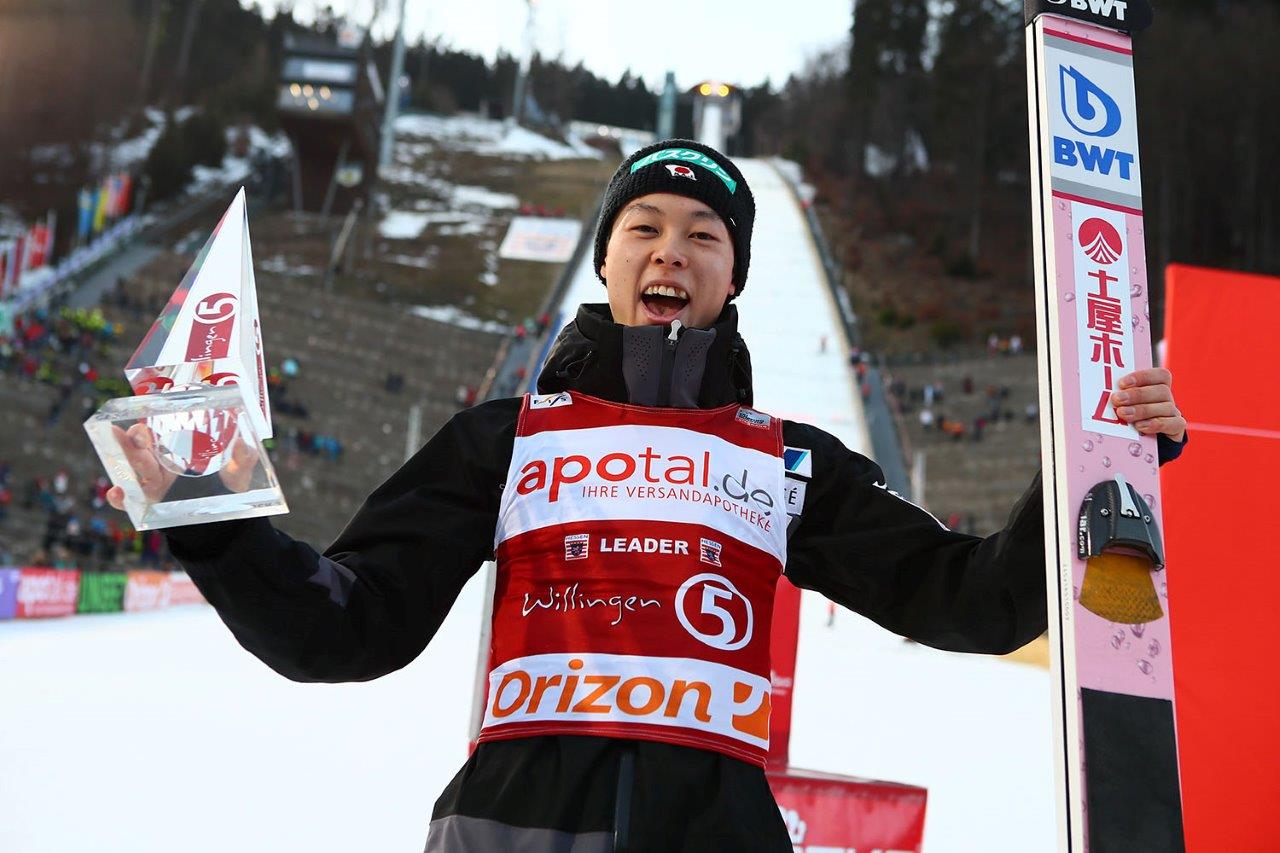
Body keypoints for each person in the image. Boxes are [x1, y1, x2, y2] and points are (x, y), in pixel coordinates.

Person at [105, 139, 1188, 851]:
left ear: (733, 275)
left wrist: (1101, 460)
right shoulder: (506, 438)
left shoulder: (784, 461)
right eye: (644, 227)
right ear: (607, 262)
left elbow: (975, 598)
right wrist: (207, 513)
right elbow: (345, 627)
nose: (672, 250)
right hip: (513, 828)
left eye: (703, 235)